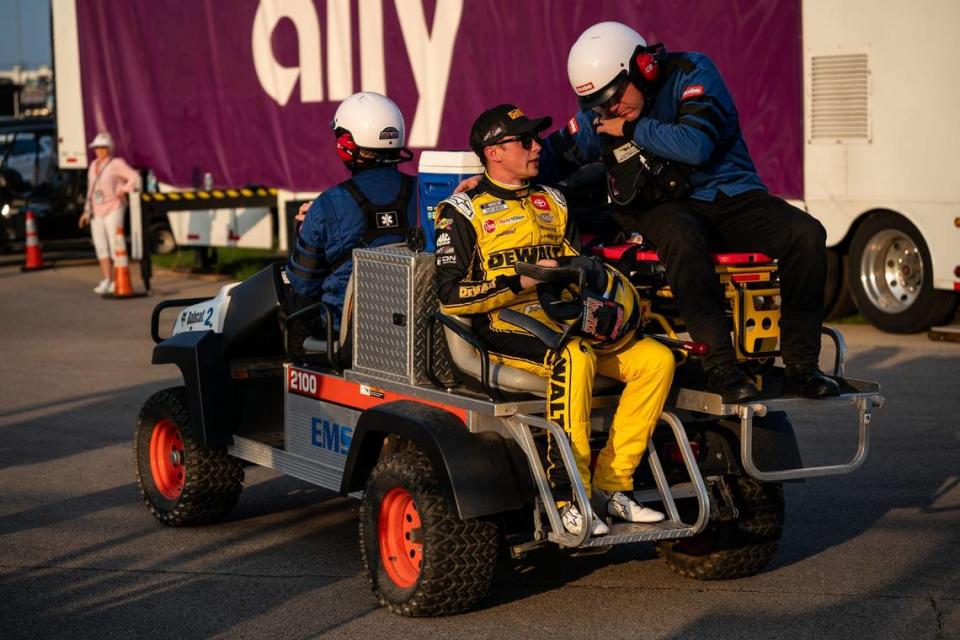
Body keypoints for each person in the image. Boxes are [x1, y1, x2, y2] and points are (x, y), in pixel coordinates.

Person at [534, 21, 841, 403]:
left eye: (614, 98)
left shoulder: (694, 74)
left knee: (806, 234)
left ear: (643, 67)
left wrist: (631, 130)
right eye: (599, 104)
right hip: (666, 209)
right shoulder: (602, 114)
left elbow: (696, 146)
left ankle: (801, 367)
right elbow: (550, 155)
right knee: (679, 235)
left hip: (730, 195)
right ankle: (722, 369)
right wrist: (486, 179)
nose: (610, 109)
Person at [435, 104, 676, 537]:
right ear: (493, 152)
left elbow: (574, 263)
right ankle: (568, 495)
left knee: (657, 359)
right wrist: (517, 281)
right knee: (575, 355)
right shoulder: (462, 208)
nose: (537, 146)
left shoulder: (555, 199)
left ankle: (613, 487)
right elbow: (449, 296)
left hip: (566, 316)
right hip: (502, 323)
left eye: (537, 137)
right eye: (524, 140)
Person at [286, 92, 416, 336]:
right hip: (414, 326)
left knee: (290, 302)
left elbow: (302, 282)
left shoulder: (327, 205)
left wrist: (304, 230)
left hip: (349, 331)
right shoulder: (423, 192)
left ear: (346, 144)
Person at [78, 132, 139, 294]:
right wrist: (86, 211)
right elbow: (90, 189)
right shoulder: (92, 166)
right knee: (100, 245)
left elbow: (134, 176)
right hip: (96, 210)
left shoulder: (116, 163)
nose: (100, 151)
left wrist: (123, 190)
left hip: (114, 206)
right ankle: (107, 279)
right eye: (97, 148)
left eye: (103, 148)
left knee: (115, 242)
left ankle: (119, 278)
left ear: (109, 148)